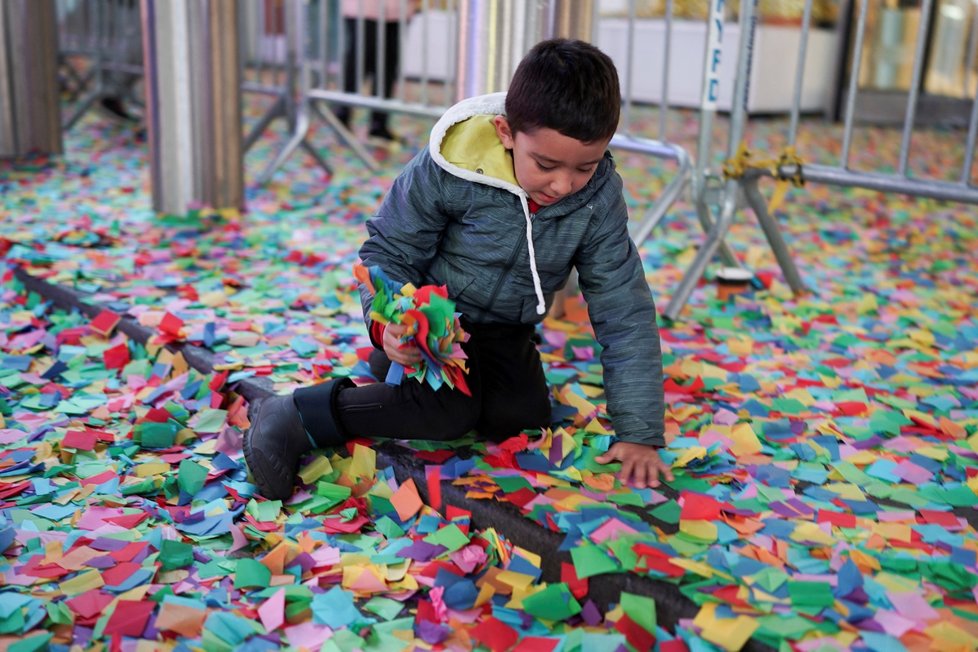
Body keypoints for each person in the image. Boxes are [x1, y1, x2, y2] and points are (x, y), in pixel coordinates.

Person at [245, 38, 673, 501]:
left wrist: (639, 431)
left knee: (521, 418)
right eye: (546, 164)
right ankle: (293, 415)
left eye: (584, 167)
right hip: (434, 321)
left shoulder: (598, 199)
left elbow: (623, 309)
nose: (563, 184)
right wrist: (388, 320)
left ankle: (391, 369)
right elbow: (387, 250)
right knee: (447, 412)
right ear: (506, 132)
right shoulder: (452, 165)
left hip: (507, 328)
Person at [334, 0, 419, 142]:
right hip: (363, 8)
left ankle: (379, 124)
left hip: (397, 9)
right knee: (359, 61)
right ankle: (342, 115)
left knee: (388, 65)